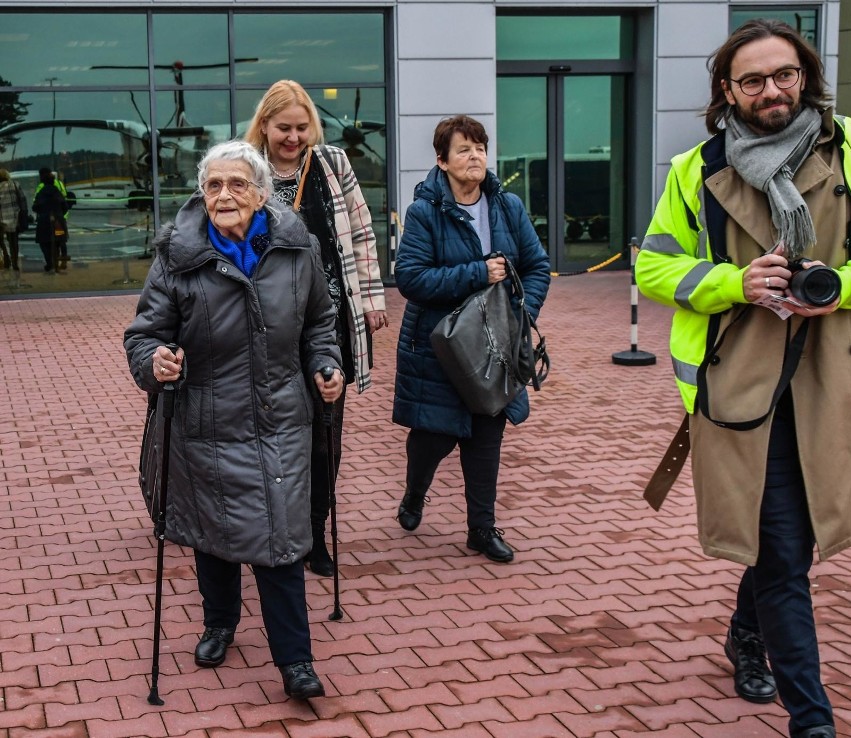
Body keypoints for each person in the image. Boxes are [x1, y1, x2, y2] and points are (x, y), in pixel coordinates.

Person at [635, 19, 851, 738]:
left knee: (788, 545)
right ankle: (811, 721)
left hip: (831, 386)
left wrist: (836, 287)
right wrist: (735, 280)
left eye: (783, 75)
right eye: (752, 80)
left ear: (806, 75)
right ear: (727, 90)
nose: (771, 91)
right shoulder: (695, 169)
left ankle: (745, 631)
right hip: (741, 392)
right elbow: (653, 267)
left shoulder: (849, 148)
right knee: (785, 555)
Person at [124, 140, 344, 701]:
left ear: (262, 193)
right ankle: (219, 622)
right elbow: (143, 334)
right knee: (213, 533)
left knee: (284, 540)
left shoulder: (299, 249)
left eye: (238, 184)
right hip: (207, 419)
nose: (225, 195)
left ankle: (296, 663)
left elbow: (321, 319)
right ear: (202, 194)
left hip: (282, 420)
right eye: (214, 185)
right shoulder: (178, 257)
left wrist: (325, 364)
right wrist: (156, 361)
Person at [244, 79, 388, 577]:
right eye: (284, 128)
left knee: (326, 437)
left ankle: (313, 534)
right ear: (264, 125)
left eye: (302, 128)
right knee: (271, 435)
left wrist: (370, 299)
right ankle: (271, 531)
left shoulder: (333, 164)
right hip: (266, 329)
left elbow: (363, 230)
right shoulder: (246, 170)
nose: (293, 137)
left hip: (329, 325)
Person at [392, 114, 550, 563]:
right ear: (442, 161)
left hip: (495, 345)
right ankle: (414, 492)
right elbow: (411, 279)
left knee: (486, 436)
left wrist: (521, 314)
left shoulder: (508, 207)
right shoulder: (425, 211)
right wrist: (477, 273)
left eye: (480, 147)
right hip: (440, 346)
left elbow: (537, 266)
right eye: (463, 149)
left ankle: (481, 528)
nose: (475, 155)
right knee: (433, 438)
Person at [32, 168, 68, 274]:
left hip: (44, 222)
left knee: (44, 242)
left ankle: (50, 262)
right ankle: (61, 259)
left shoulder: (41, 192)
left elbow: (35, 207)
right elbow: (65, 206)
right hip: (58, 222)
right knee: (60, 239)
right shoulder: (57, 191)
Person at [0, 168, 27, 273]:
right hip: (13, 217)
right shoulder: (15, 185)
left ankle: (6, 257)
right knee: (13, 241)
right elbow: (22, 200)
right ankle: (15, 262)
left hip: (1, 218)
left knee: (1, 240)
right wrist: (23, 214)